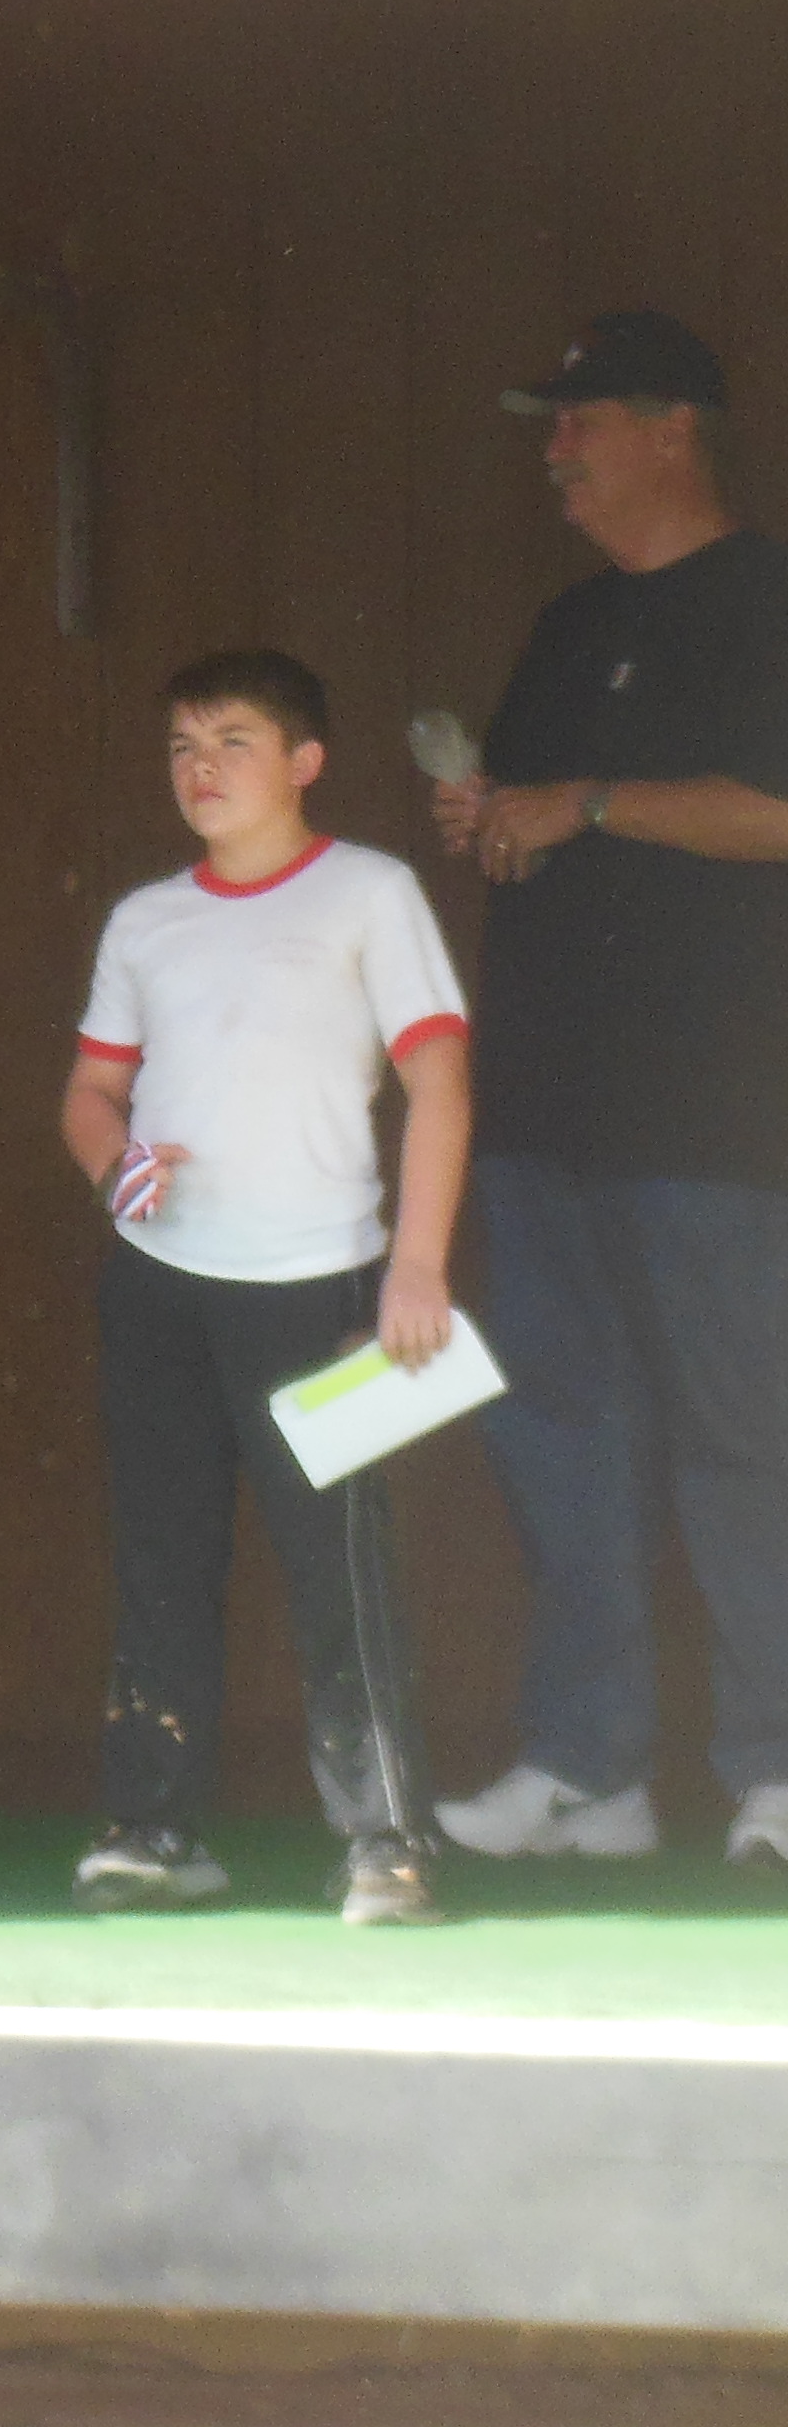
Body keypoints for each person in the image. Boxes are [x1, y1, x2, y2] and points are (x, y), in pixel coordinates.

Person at [423, 313, 788, 1875]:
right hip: (543, 1107)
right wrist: (495, 817)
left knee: (745, 1435)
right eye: (549, 426)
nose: (555, 452)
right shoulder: (570, 624)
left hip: (714, 1114)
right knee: (561, 1435)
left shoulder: (766, 599)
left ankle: (775, 1773)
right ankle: (592, 1773)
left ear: (674, 429)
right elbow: (539, 815)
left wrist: (580, 802)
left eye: (580, 422)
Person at [63, 651, 466, 1927]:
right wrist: (115, 1167)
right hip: (160, 1286)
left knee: (340, 1568)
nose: (202, 769)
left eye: (233, 741)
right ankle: (154, 1827)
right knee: (162, 1557)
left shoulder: (371, 892)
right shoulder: (145, 919)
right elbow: (91, 1094)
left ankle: (387, 1844)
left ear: (304, 762)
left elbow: (440, 1083)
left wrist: (416, 1267)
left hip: (323, 1282)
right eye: (183, 746)